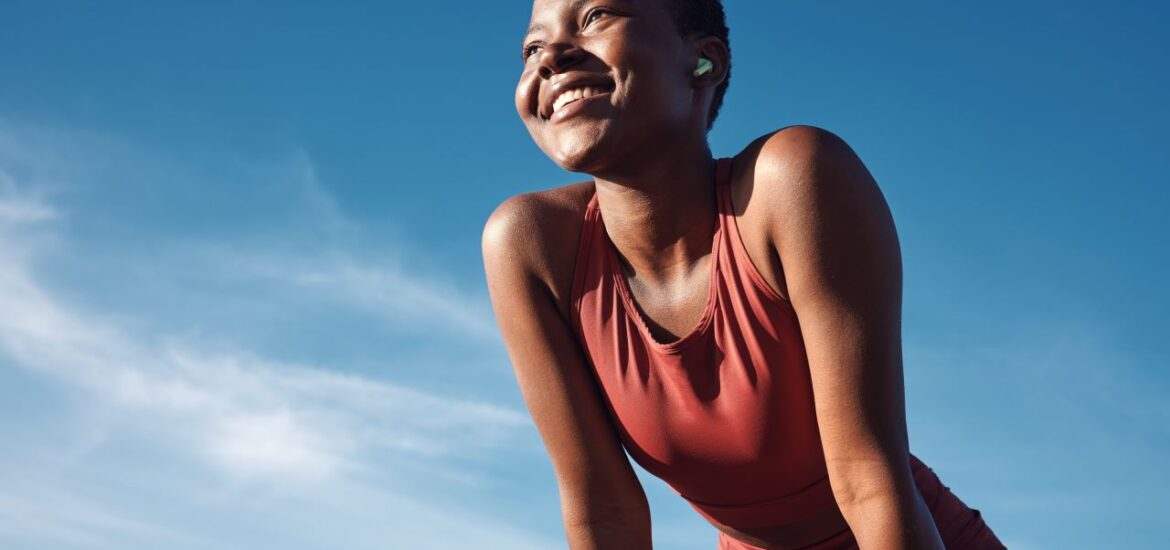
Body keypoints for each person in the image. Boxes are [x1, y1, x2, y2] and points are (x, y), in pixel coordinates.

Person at [482, 1, 1006, 548]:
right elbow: (602, 512)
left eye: (594, 17)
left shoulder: (792, 183)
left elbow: (869, 484)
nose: (552, 57)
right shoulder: (532, 247)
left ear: (705, 62)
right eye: (532, 48)